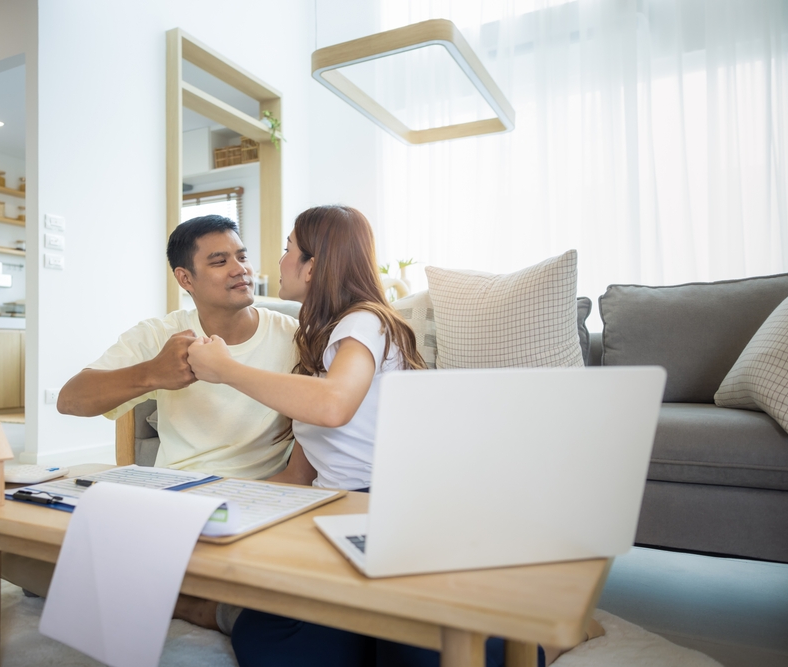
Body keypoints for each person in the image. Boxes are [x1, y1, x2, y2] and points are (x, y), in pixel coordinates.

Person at [187, 206, 601, 666]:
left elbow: (333, 405)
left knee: (420, 653)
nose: (278, 261)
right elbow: (297, 475)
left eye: (288, 249)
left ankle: (550, 634)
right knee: (268, 645)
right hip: (334, 514)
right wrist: (210, 506)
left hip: (392, 510)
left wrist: (226, 369)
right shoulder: (316, 347)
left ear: (314, 264)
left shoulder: (364, 323)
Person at [57, 214, 303, 481]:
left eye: (242, 257)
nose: (239, 269)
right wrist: (153, 373)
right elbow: (70, 400)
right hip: (177, 489)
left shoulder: (294, 336)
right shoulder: (159, 334)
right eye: (220, 261)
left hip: (261, 491)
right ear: (185, 279)